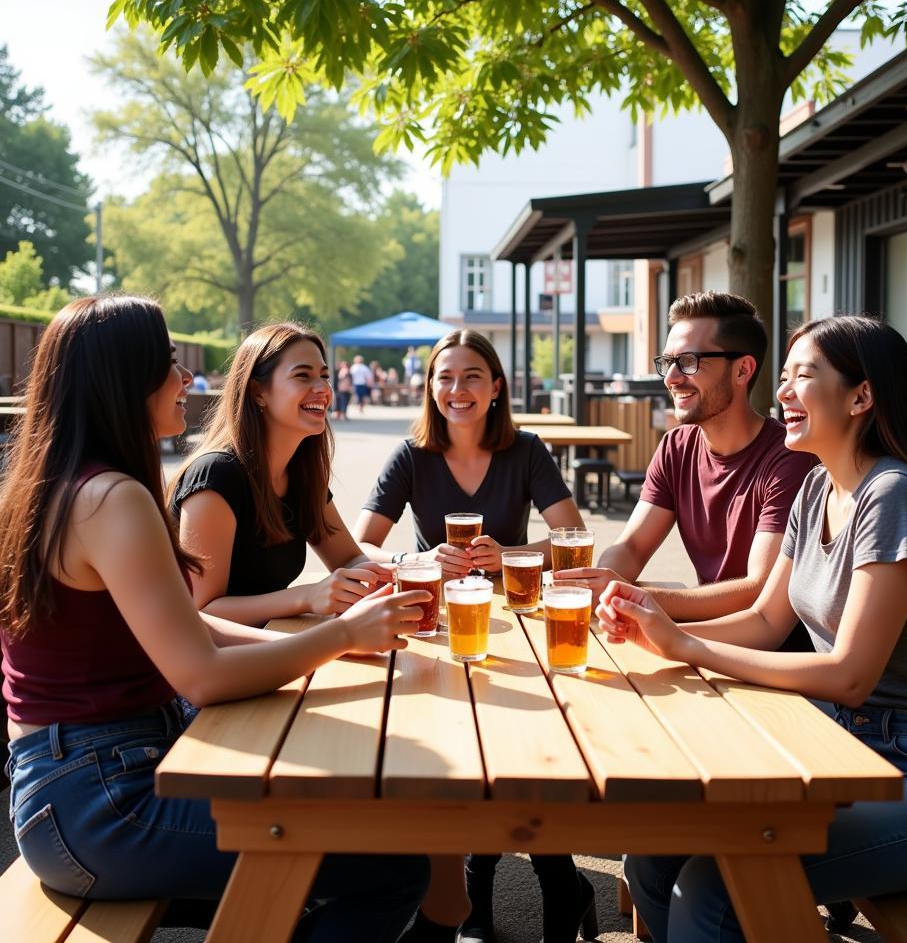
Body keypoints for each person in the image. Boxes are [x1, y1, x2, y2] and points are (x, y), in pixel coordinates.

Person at [0, 295, 430, 941]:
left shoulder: (58, 485)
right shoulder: (114, 498)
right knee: (388, 863)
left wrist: (333, 641)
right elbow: (199, 675)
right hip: (101, 806)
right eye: (170, 366)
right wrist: (337, 635)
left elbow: (188, 624)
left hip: (82, 782)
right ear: (125, 379)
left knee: (326, 821)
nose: (188, 382)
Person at [597, 315, 907, 943]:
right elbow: (767, 620)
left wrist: (686, 644)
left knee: (714, 891)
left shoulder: (893, 493)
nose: (782, 393)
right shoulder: (818, 485)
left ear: (861, 396)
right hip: (845, 752)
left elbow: (849, 674)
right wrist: (651, 622)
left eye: (802, 377)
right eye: (782, 377)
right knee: (654, 857)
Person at [353, 328, 593, 943]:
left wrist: (508, 553)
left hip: (513, 622)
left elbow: (570, 534)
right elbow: (360, 547)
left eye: (471, 377)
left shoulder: (526, 450)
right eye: (445, 378)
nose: (457, 390)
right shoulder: (411, 456)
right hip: (434, 623)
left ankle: (553, 887)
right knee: (457, 746)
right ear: (430, 388)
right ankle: (489, 892)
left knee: (523, 747)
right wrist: (423, 559)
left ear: (496, 389)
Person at [561, 292, 816, 628]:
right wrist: (604, 587)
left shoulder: (791, 459)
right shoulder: (676, 447)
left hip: (767, 656)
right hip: (699, 637)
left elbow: (758, 588)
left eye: (689, 361)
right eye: (667, 363)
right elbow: (633, 547)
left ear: (743, 370)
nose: (671, 378)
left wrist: (639, 598)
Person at [169, 323, 393, 627]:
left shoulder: (301, 473)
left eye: (324, 376)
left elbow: (348, 559)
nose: (324, 389)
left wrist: (409, 571)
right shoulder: (217, 475)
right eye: (303, 375)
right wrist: (307, 596)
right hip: (213, 667)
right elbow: (203, 611)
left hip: (270, 649)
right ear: (258, 392)